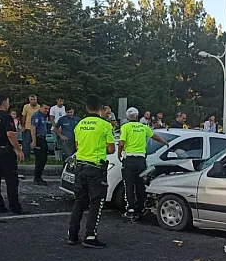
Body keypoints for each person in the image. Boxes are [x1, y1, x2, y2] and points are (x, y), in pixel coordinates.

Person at [68, 94, 115, 248]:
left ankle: (72, 235)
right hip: (96, 168)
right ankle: (90, 236)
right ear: (100, 108)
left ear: (87, 108)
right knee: (96, 202)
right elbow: (111, 148)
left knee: (79, 201)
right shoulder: (105, 125)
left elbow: (77, 146)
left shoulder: (79, 124)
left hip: (80, 167)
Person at [118, 107, 169, 221]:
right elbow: (154, 136)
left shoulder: (125, 127)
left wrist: (119, 154)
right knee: (140, 185)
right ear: (137, 116)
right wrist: (164, 142)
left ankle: (130, 209)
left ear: (127, 117)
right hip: (141, 161)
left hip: (129, 160)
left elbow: (121, 143)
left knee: (129, 185)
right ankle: (140, 209)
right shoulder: (143, 127)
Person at [31, 104, 51, 185]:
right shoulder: (36, 115)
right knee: (39, 160)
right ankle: (37, 178)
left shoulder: (43, 116)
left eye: (48, 109)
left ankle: (39, 176)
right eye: (45, 108)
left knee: (44, 159)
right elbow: (33, 128)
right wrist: (34, 141)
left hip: (43, 138)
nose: (47, 110)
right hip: (38, 138)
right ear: (41, 107)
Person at [21, 95, 40, 161]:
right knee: (26, 143)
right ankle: (26, 158)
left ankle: (37, 157)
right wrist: (22, 126)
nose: (33, 101)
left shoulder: (39, 107)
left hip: (37, 128)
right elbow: (23, 117)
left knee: (37, 143)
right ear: (29, 100)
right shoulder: (26, 107)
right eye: (31, 99)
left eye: (34, 99)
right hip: (28, 127)